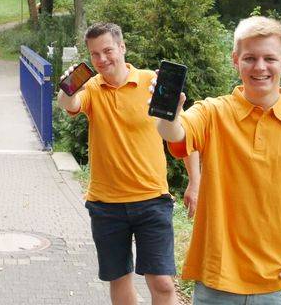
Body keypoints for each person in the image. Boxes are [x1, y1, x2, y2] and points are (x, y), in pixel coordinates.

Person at [156, 16, 281, 304]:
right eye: (250, 58)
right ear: (235, 60)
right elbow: (176, 132)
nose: (260, 67)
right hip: (217, 283)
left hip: (280, 285)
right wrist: (167, 113)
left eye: (269, 58)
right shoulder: (213, 112)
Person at [57, 22, 200, 305]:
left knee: (162, 284)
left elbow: (186, 133)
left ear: (122, 48)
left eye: (108, 50)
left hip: (152, 200)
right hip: (106, 204)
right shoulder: (92, 87)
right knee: (119, 280)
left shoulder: (151, 82)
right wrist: (68, 88)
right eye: (94, 54)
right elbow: (69, 104)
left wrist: (195, 182)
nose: (101, 59)